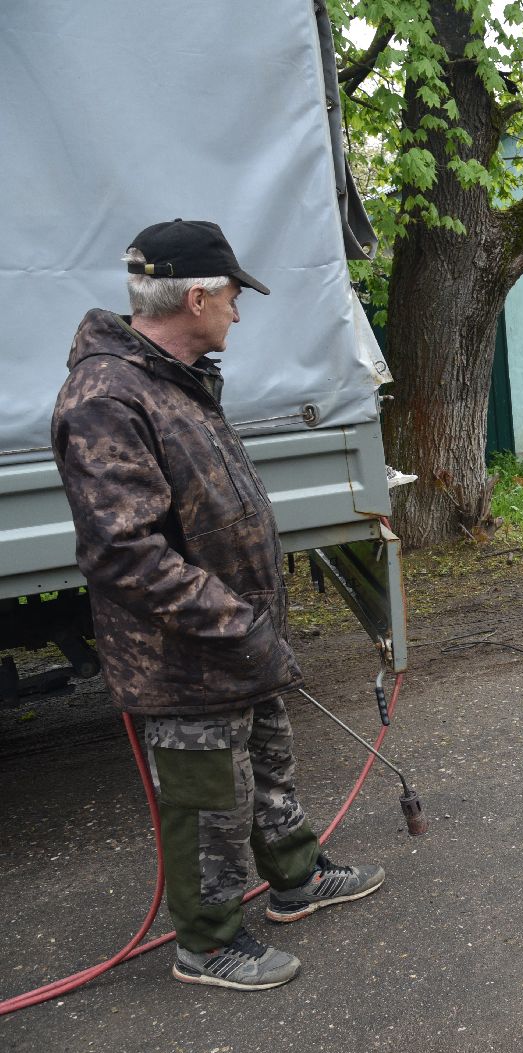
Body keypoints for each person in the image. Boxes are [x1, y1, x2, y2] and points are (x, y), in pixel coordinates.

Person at [51, 220, 385, 990]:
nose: (238, 311)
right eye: (233, 297)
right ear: (195, 297)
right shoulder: (107, 396)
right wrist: (234, 621)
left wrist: (250, 624)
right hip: (186, 650)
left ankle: (296, 878)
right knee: (207, 797)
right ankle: (206, 942)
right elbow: (124, 553)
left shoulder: (174, 379)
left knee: (269, 763)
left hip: (236, 637)